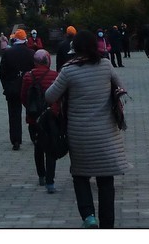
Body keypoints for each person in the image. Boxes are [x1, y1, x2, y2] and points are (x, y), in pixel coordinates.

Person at [44, 29, 128, 228]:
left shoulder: (68, 70)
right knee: (105, 179)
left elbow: (49, 96)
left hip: (80, 133)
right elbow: (121, 87)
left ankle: (89, 216)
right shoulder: (106, 65)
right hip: (106, 132)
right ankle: (108, 224)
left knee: (80, 176)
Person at [20, 48, 60, 193]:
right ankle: (50, 181)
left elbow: (23, 97)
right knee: (51, 148)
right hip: (51, 117)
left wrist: (31, 110)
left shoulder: (28, 76)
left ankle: (41, 175)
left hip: (33, 118)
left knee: (38, 147)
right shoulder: (55, 75)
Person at [0, 28, 35, 149]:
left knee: (14, 114)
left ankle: (16, 140)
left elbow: (2, 72)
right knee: (33, 111)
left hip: (12, 87)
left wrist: (6, 86)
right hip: (29, 88)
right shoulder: (31, 53)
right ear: (25, 39)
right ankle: (35, 136)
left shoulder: (8, 53)